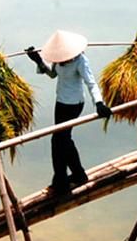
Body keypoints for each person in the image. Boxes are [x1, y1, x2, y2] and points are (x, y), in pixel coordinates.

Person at [26, 30, 112, 195]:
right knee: (63, 139)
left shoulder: (80, 60)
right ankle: (76, 175)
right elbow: (52, 75)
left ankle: (62, 181)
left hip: (74, 104)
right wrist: (38, 60)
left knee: (59, 140)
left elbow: (91, 83)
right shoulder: (59, 61)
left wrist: (99, 103)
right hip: (61, 103)